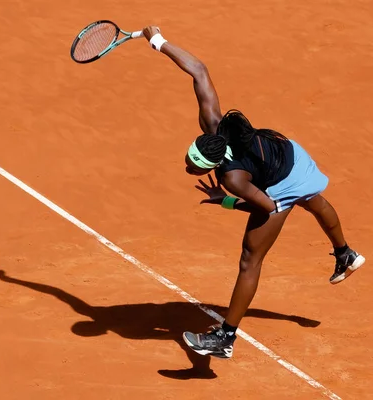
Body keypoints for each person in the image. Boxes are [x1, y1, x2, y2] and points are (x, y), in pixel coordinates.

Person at [140, 26, 365, 359]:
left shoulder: (232, 179)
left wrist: (227, 201)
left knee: (250, 259)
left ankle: (225, 337)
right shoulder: (214, 124)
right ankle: (345, 253)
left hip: (283, 180)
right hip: (288, 151)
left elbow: (269, 207)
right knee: (313, 199)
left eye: (193, 166)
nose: (188, 167)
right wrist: (158, 42)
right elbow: (198, 70)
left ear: (211, 166)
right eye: (189, 158)